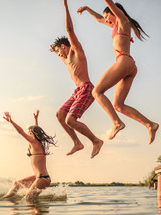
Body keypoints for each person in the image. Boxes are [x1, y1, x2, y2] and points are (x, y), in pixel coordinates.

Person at [77, 1, 159, 144]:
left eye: (107, 15)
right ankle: (150, 124)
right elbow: (99, 19)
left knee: (96, 92)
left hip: (123, 61)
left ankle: (116, 123)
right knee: (118, 105)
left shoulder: (122, 21)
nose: (106, 19)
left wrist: (106, 6)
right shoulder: (115, 25)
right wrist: (87, 9)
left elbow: (111, 5)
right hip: (129, 66)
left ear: (113, 12)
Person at [50, 0, 103, 158]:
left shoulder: (75, 51)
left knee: (70, 120)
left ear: (64, 47)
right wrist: (53, 50)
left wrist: (65, 5)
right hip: (78, 91)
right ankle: (77, 143)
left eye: (60, 52)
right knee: (60, 115)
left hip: (87, 89)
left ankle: (96, 141)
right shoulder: (66, 59)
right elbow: (59, 54)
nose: (60, 56)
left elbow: (69, 29)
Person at [2, 110, 56, 200]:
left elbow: (20, 131)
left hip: (42, 178)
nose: (27, 133)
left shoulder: (35, 142)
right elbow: (36, 130)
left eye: (29, 132)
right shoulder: (35, 143)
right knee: (17, 184)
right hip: (38, 177)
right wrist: (36, 120)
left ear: (33, 134)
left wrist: (11, 121)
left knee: (27, 199)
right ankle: (4, 199)